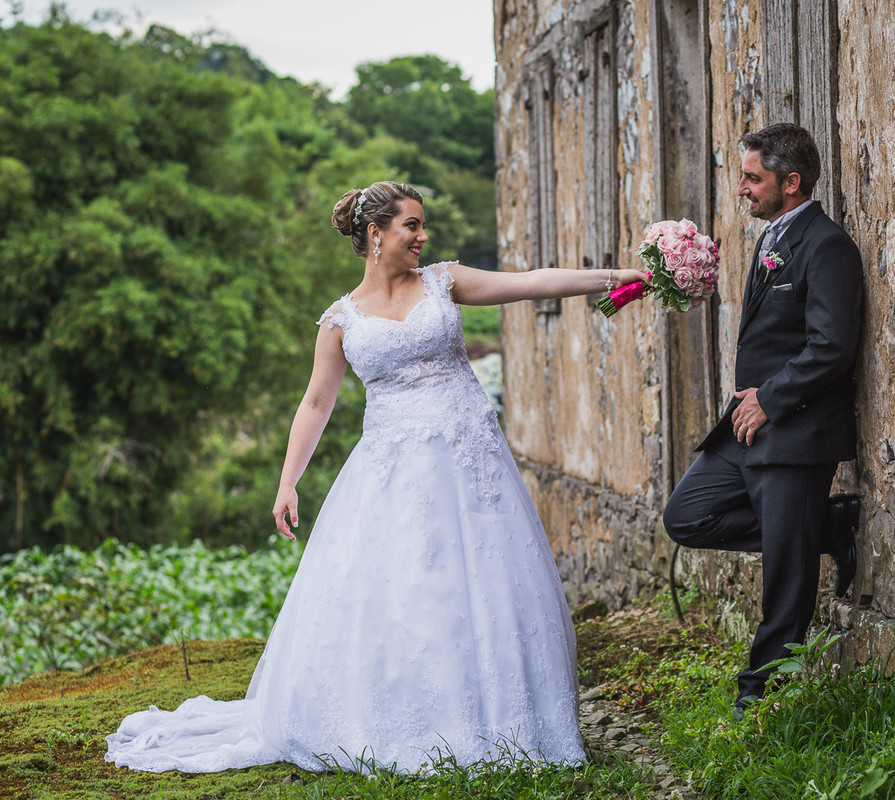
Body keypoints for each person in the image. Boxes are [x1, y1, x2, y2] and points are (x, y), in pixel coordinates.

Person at [104, 181, 650, 774]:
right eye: (412, 225)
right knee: (407, 589)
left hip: (471, 464)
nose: (423, 236)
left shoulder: (444, 282)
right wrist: (287, 483)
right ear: (375, 233)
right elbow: (316, 403)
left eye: (422, 225)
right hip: (393, 472)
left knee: (487, 586)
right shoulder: (340, 321)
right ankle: (408, 721)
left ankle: (506, 720)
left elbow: (530, 283)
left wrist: (614, 277)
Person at [661, 123, 863, 714]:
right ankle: (824, 529)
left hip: (794, 430)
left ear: (790, 182)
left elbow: (832, 346)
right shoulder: (774, 238)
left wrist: (770, 399)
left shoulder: (827, 246)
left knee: (785, 575)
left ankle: (761, 694)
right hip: (747, 426)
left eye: (753, 178)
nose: (742, 188)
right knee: (686, 516)